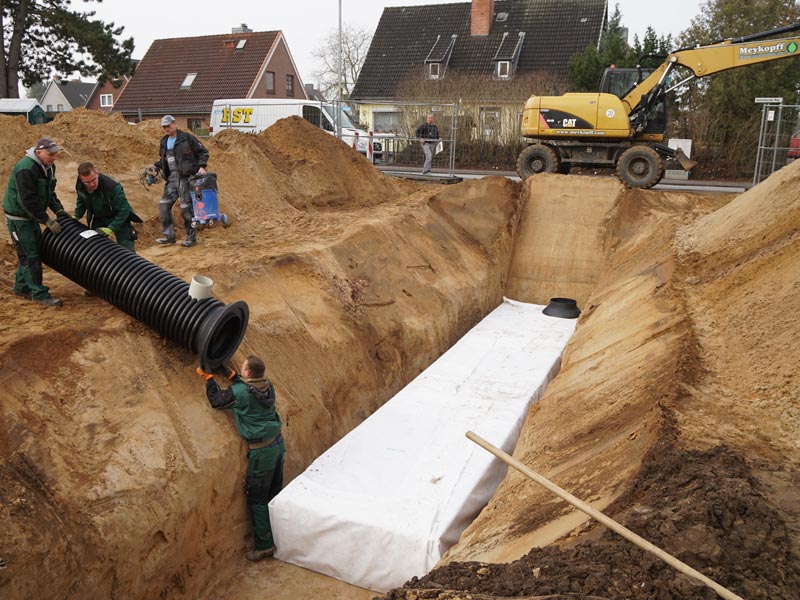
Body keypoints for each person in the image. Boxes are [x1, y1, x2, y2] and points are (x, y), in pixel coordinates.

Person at [198, 355, 284, 561]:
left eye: (243, 368)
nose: (241, 369)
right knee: (274, 493)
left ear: (247, 373)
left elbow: (217, 401)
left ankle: (264, 546)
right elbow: (248, 389)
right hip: (278, 446)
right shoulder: (267, 385)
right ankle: (281, 535)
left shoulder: (240, 392)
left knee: (258, 499)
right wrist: (230, 374)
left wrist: (209, 379)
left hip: (262, 453)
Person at [3, 137, 70, 306]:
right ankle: (39, 294)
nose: (54, 158)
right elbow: (27, 201)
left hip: (31, 216)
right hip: (19, 218)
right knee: (30, 255)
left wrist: (59, 210)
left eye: (55, 154)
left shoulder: (48, 167)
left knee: (32, 251)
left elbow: (49, 192)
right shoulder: (25, 169)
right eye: (50, 154)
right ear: (39, 152)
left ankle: (21, 287)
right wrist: (46, 220)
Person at [154, 114, 209, 247]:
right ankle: (169, 236)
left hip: (186, 178)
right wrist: (155, 167)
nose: (166, 128)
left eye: (168, 125)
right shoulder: (164, 142)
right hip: (172, 179)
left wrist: (202, 167)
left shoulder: (186, 138)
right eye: (164, 127)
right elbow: (164, 160)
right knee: (164, 205)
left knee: (186, 208)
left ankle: (191, 237)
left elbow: (203, 152)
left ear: (174, 124)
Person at [75, 162, 142, 252]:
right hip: (100, 217)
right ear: (81, 179)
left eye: (93, 180)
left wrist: (111, 228)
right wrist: (76, 216)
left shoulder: (112, 187)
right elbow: (81, 200)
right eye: (87, 182)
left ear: (97, 174)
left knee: (127, 251)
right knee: (95, 246)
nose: (91, 185)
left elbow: (124, 211)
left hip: (118, 217)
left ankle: (132, 265)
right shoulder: (80, 185)